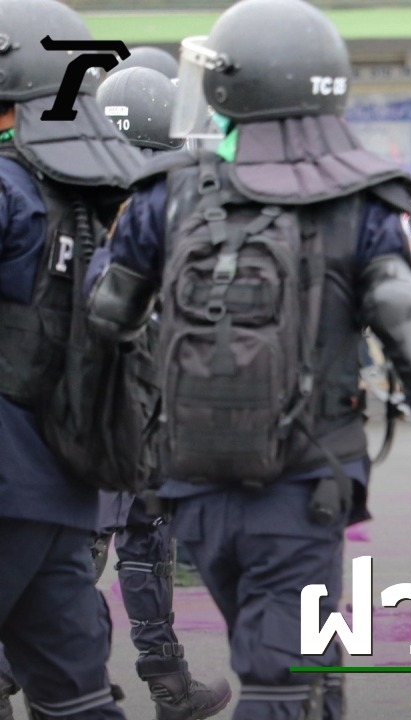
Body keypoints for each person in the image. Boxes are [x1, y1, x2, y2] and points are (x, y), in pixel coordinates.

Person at [86, 0, 411, 715]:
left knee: (300, 661)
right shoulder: (362, 205)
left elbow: (103, 323)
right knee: (281, 680)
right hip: (302, 491)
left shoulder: (167, 196)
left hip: (191, 488)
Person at [0, 0, 145, 717]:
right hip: (63, 483)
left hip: (5, 478)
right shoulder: (86, 198)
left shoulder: (8, 189)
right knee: (76, 699)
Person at [88, 64, 233, 719]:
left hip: (85, 410)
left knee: (73, 555)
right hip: (143, 407)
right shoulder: (173, 204)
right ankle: (167, 686)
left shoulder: (70, 193)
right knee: (135, 547)